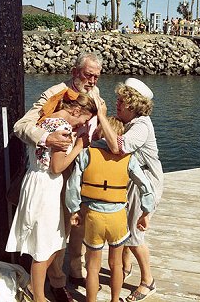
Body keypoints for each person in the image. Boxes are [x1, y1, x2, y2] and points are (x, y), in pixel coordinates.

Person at [13, 52, 102, 302]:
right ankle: (57, 283)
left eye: (96, 76)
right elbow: (21, 125)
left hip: (84, 174)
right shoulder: (55, 94)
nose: (92, 80)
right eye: (88, 75)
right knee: (56, 232)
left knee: (78, 228)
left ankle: (75, 272)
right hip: (57, 173)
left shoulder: (97, 96)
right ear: (75, 72)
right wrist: (45, 138)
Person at [65, 117, 155, 302]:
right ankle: (115, 300)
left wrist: (74, 210)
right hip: (117, 218)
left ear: (100, 132)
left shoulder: (86, 154)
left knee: (92, 267)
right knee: (116, 265)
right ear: (119, 135)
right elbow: (145, 186)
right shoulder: (129, 159)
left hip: (93, 218)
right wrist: (145, 213)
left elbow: (72, 185)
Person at [94, 78, 164, 302]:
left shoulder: (141, 126)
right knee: (126, 227)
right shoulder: (133, 122)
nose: (118, 104)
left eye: (121, 100)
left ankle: (148, 281)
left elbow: (118, 147)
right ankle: (125, 266)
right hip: (134, 179)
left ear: (133, 104)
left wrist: (102, 117)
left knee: (134, 235)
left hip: (145, 184)